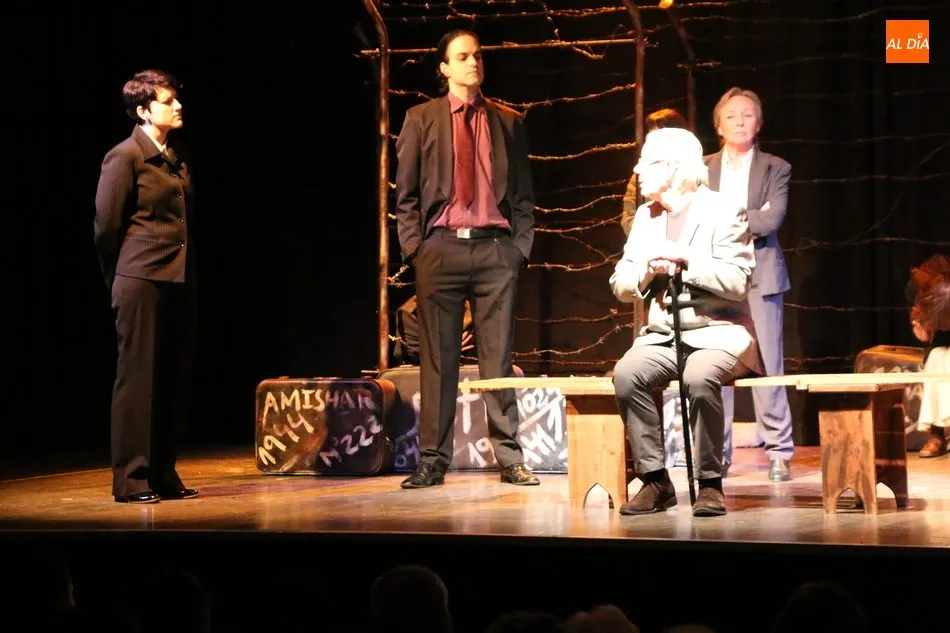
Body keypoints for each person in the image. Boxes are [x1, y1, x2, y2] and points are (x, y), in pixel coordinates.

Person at [393, 29, 538, 488]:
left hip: (495, 250)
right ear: (444, 67)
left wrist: (518, 250)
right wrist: (416, 250)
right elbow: (406, 195)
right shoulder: (421, 119)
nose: (473, 62)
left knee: (499, 358)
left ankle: (510, 457)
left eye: (477, 55)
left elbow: (523, 196)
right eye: (462, 56)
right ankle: (433, 459)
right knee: (439, 361)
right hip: (440, 249)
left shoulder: (508, 122)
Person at [610, 127, 762, 517]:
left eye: (647, 161)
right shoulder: (646, 216)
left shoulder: (724, 210)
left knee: (698, 376)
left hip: (719, 334)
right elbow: (620, 283)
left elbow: (737, 281)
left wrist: (685, 257)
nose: (637, 169)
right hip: (663, 337)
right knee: (627, 374)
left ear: (674, 167)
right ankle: (655, 480)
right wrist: (646, 269)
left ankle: (710, 484)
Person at [94, 69, 198, 503]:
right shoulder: (125, 157)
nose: (178, 107)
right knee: (138, 379)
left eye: (176, 99)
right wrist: (120, 277)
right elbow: (106, 227)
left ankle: (162, 473)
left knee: (171, 377)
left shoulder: (174, 157)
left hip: (175, 279)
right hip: (140, 279)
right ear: (143, 111)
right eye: (168, 101)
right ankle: (132, 478)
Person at [705, 86, 794, 482]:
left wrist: (722, 224)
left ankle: (779, 451)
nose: (739, 122)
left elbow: (771, 219)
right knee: (715, 365)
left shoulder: (776, 167)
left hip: (762, 275)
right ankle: (716, 454)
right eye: (731, 116)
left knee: (768, 365)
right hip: (713, 276)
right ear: (718, 126)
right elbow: (696, 218)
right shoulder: (702, 168)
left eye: (747, 115)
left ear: (758, 123)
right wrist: (746, 218)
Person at [620, 108, 690, 236]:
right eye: (650, 135)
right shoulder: (641, 176)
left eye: (660, 135)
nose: (653, 142)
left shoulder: (696, 172)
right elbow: (628, 219)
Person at [906, 254, 949, 457]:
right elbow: (923, 336)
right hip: (937, 345)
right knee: (937, 358)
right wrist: (921, 323)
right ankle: (937, 433)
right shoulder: (916, 291)